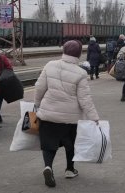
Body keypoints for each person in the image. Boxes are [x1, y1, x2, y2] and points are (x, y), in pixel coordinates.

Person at [34, 40, 99, 187]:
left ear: (64, 51)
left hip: (48, 114)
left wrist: (37, 104)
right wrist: (94, 117)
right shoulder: (81, 73)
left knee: (49, 144)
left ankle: (48, 167)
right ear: (78, 54)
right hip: (70, 118)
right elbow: (85, 99)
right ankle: (70, 169)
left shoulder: (50, 65)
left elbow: (39, 87)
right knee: (71, 144)